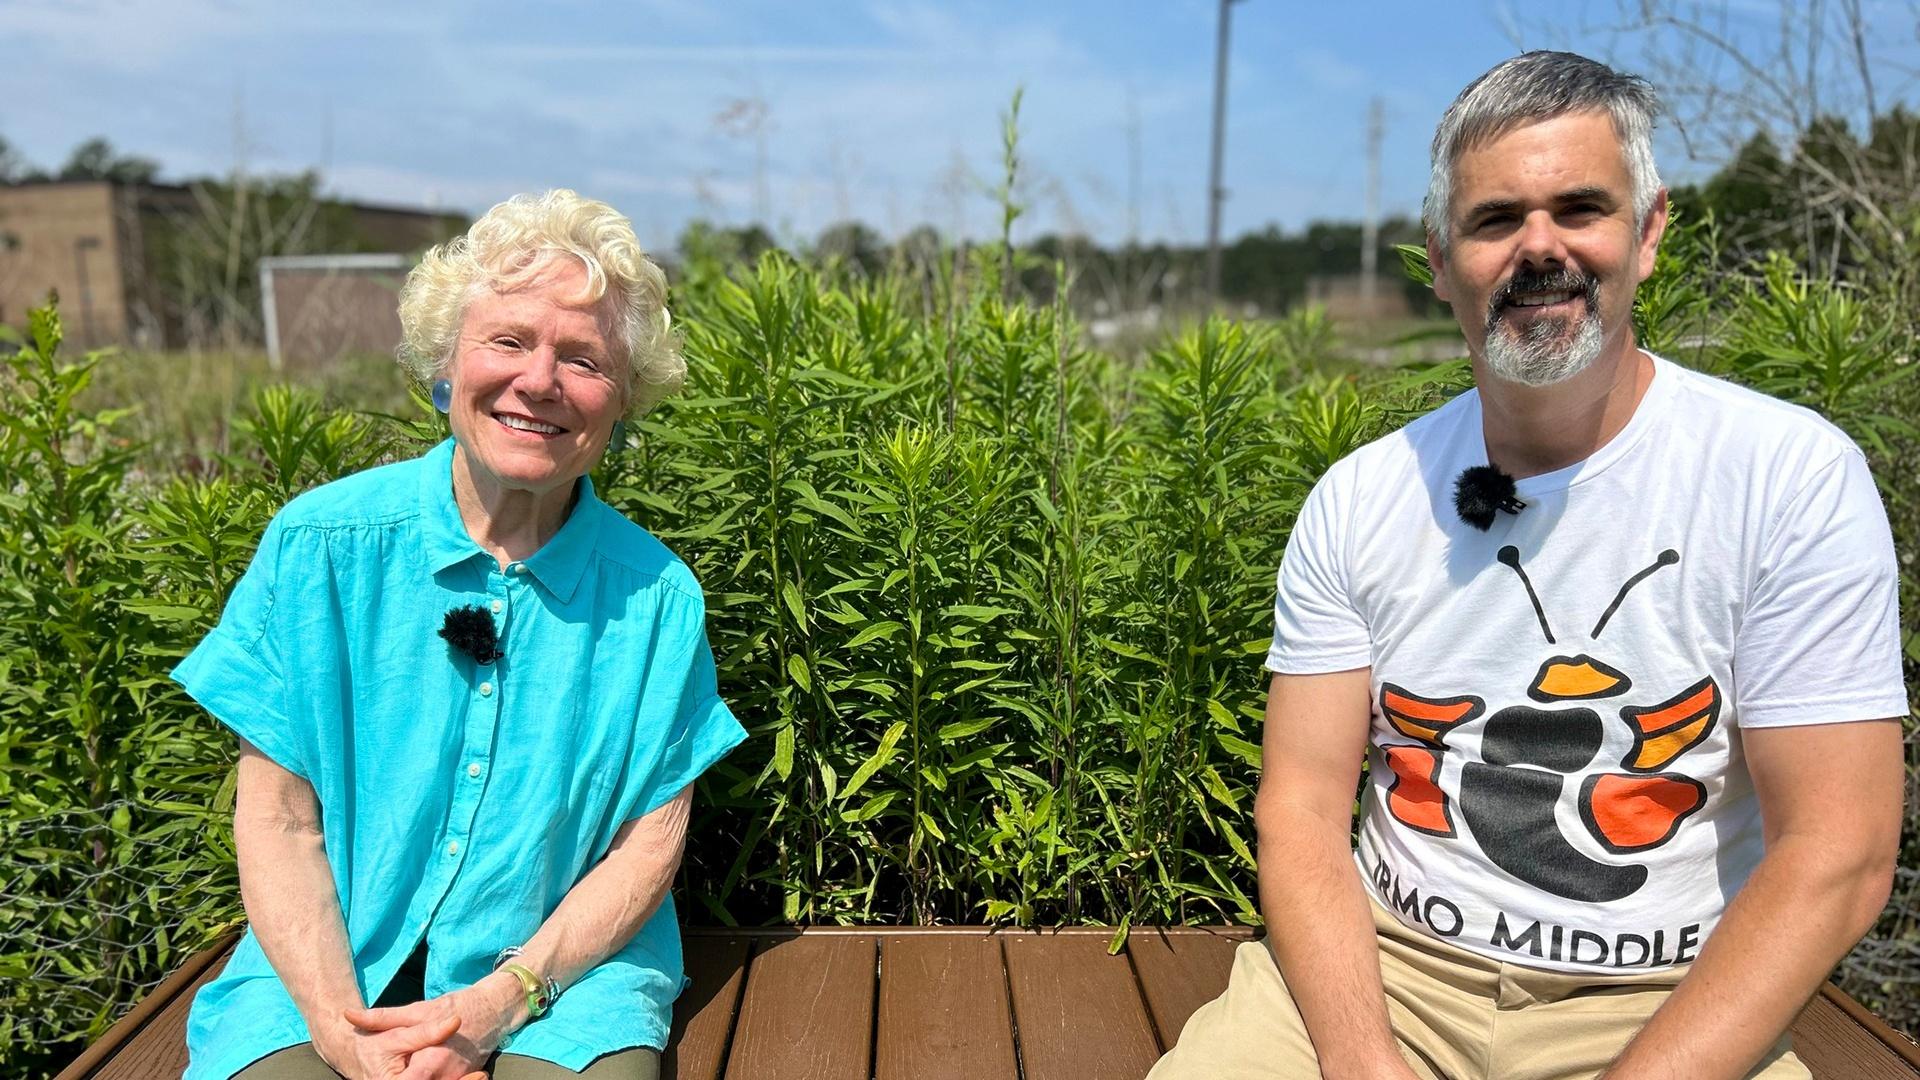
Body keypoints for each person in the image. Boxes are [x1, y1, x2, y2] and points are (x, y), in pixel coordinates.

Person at [1150, 51, 1905, 1080]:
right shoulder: (1364, 497)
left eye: (1580, 208)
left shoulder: (1787, 476)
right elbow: (1298, 807)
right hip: (1386, 975)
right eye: (1496, 219)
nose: (1538, 246)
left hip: (1666, 1005)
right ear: (1438, 257)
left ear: (1647, 233)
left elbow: (1841, 850)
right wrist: (1364, 1063)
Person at [173, 190, 746, 1080]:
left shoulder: (657, 597)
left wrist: (498, 1004)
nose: (541, 381)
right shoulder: (319, 547)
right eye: (508, 341)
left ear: (622, 400)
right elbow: (280, 821)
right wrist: (337, 1029)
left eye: (584, 359)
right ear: (446, 364)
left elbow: (649, 843)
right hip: (328, 961)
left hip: (561, 977)